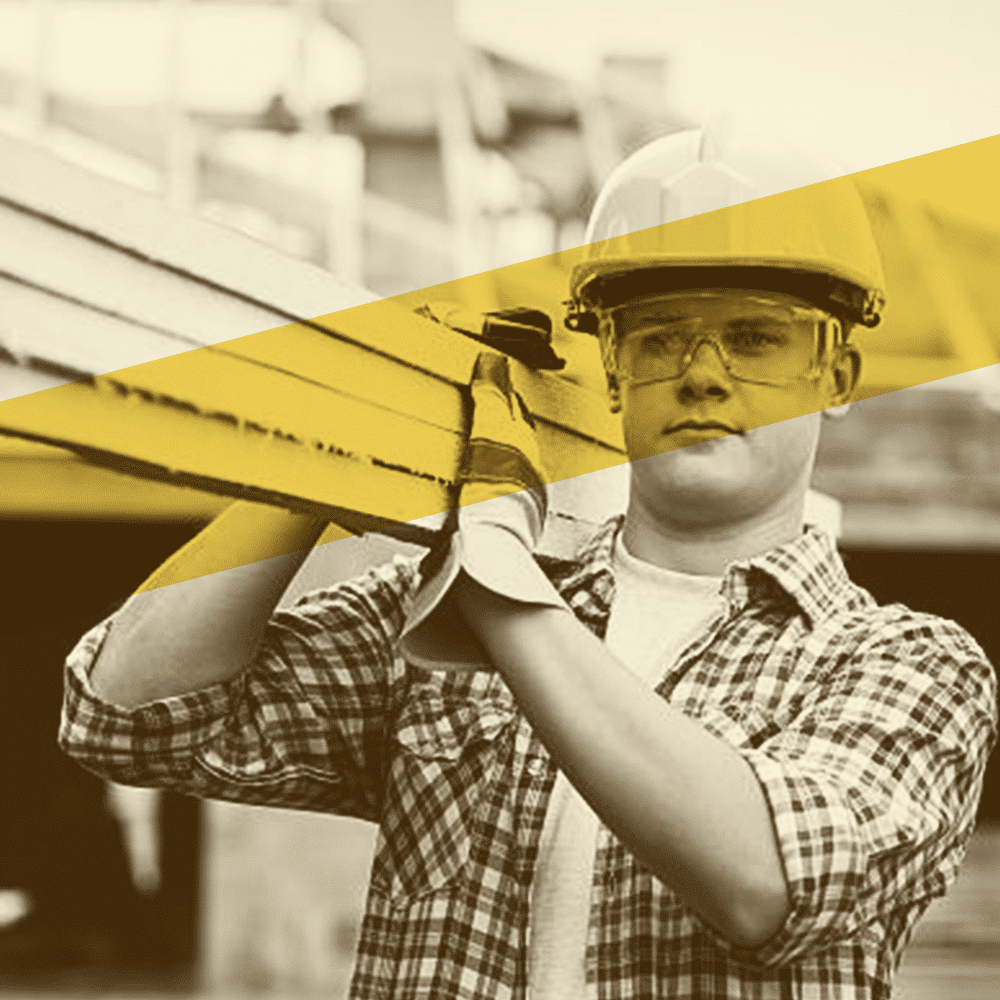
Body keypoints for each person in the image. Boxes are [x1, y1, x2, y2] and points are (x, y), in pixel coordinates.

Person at [61, 127, 997, 999]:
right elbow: (126, 717)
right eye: (661, 336)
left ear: (837, 377)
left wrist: (496, 566)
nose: (703, 372)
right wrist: (323, 452)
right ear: (613, 369)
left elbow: (766, 883)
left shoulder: (911, 665)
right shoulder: (435, 608)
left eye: (754, 338)